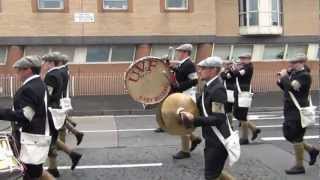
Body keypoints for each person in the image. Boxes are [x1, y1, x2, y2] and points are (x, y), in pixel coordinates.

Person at [179, 56, 235, 180]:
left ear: (213, 70)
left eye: (203, 68)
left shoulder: (218, 90)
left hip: (218, 140)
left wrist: (194, 120)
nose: (199, 71)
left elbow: (218, 118)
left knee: (211, 175)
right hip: (211, 138)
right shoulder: (209, 86)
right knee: (216, 173)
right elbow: (199, 106)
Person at [0, 55, 55, 180]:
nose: (17, 72)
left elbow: (25, 116)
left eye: (19, 69)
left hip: (29, 139)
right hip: (39, 136)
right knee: (36, 172)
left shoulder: (28, 88)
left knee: (29, 174)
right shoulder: (41, 84)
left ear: (28, 70)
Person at [42, 52, 82, 177]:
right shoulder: (61, 72)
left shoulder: (52, 75)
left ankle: (54, 168)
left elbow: (48, 94)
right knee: (51, 137)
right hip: (57, 107)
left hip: (51, 109)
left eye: (47, 62)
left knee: (48, 138)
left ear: (53, 63)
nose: (45, 65)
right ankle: (70, 154)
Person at [277, 54, 319, 174]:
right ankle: (312, 150)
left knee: (296, 137)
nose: (290, 65)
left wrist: (285, 76)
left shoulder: (304, 76)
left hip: (298, 110)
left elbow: (291, 87)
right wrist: (280, 80)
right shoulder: (294, 74)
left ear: (301, 63)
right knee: (289, 134)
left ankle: (299, 166)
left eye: (293, 63)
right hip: (290, 109)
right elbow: (286, 88)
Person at [170, 44, 202, 159]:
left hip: (187, 97)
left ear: (185, 53)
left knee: (182, 124)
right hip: (182, 95)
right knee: (182, 121)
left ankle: (185, 151)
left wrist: (179, 87)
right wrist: (172, 68)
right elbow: (181, 73)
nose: (178, 54)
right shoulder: (183, 64)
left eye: (180, 52)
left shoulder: (190, 64)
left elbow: (194, 80)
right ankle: (194, 139)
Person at [232, 53, 261, 145]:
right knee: (236, 113)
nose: (241, 61)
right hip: (240, 91)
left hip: (244, 92)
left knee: (242, 115)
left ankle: (244, 138)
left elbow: (237, 74)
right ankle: (254, 129)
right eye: (241, 58)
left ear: (249, 59)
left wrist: (234, 68)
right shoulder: (244, 67)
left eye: (244, 59)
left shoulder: (248, 67)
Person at [57, 54, 84, 145]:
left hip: (60, 98)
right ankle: (74, 129)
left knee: (58, 120)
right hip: (64, 97)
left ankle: (62, 142)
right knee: (59, 119)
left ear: (60, 62)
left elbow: (59, 87)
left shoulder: (60, 71)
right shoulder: (65, 70)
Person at [220, 60, 236, 129]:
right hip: (226, 91)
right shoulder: (229, 71)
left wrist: (223, 72)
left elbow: (224, 76)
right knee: (224, 108)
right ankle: (226, 123)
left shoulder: (231, 72)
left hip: (230, 92)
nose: (225, 66)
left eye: (227, 64)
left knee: (228, 109)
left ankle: (230, 124)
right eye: (225, 64)